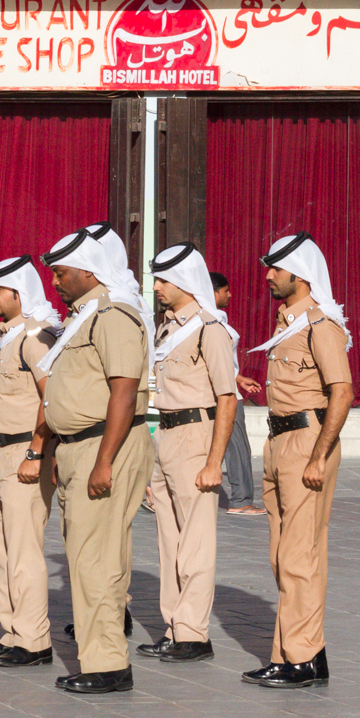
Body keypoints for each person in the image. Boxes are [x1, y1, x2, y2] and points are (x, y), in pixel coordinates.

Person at [36, 225, 153, 695]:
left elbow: (124, 391)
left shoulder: (113, 316)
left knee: (95, 560)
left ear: (88, 271)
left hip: (104, 444)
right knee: (91, 556)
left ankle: (106, 665)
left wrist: (103, 460)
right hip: (80, 447)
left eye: (61, 273)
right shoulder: (83, 319)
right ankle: (101, 656)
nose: (56, 282)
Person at [242, 232, 353, 689]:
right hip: (278, 442)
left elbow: (342, 392)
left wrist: (319, 455)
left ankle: (301, 660)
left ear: (300, 275)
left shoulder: (318, 325)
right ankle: (302, 653)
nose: (268, 276)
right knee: (282, 554)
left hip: (308, 441)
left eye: (276, 269)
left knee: (298, 555)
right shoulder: (287, 322)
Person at [141, 244, 238, 665]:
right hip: (165, 432)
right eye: (156, 279)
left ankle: (194, 634)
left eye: (164, 280)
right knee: (169, 540)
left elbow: (227, 397)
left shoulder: (208, 329)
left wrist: (214, 461)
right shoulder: (165, 327)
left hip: (197, 434)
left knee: (195, 542)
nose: (157, 287)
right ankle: (174, 626)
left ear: (183, 280)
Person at [0, 255, 61, 667]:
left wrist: (36, 451)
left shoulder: (34, 336)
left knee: (25, 551)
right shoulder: (7, 335)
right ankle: (12, 634)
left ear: (19, 293)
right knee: (3, 550)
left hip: (24, 452)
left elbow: (51, 397)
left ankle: (34, 640)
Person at [211, 271, 265, 515]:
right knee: (237, 446)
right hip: (224, 394)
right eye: (225, 290)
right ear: (214, 293)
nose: (230, 295)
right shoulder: (211, 322)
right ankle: (241, 499)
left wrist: (239, 377)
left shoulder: (211, 320)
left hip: (226, 386)